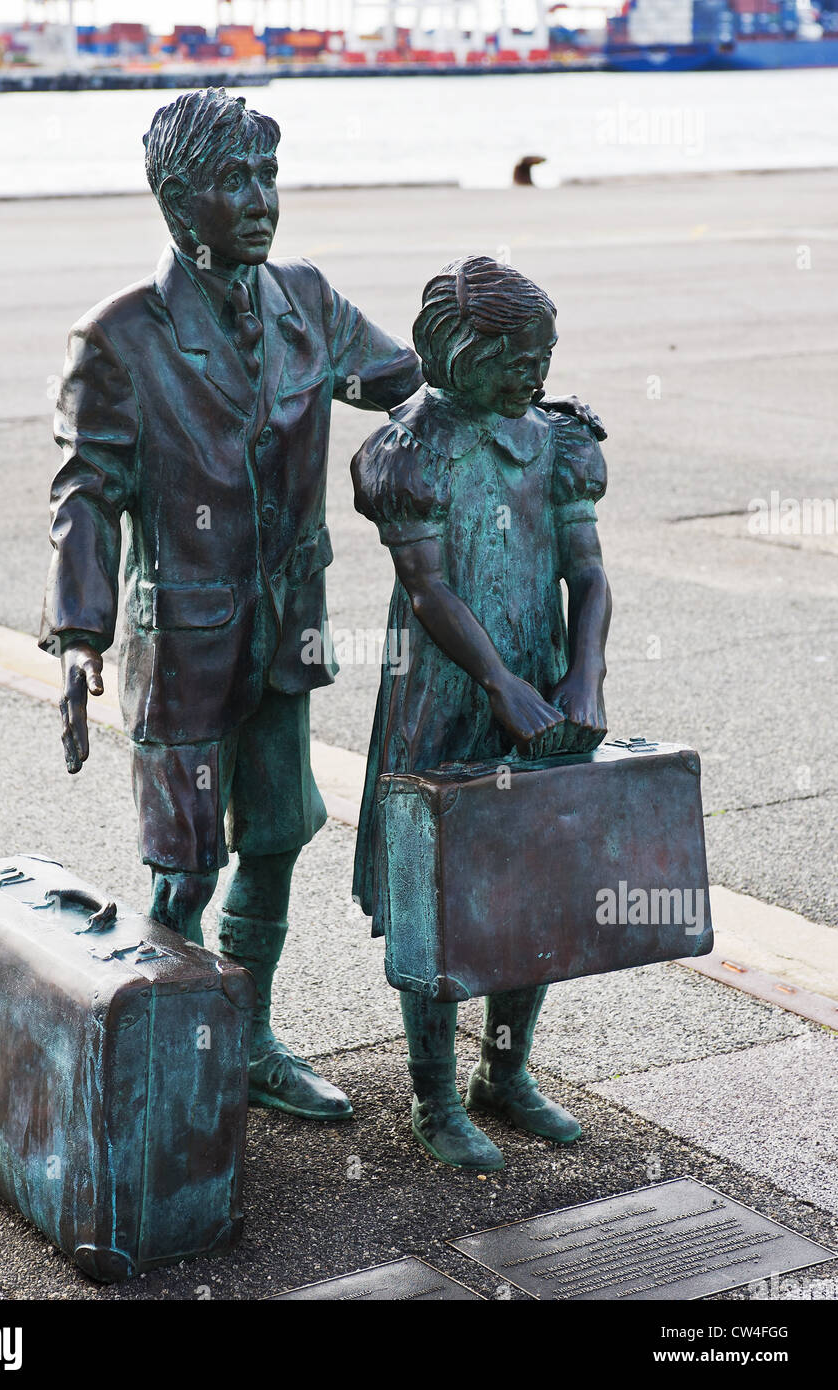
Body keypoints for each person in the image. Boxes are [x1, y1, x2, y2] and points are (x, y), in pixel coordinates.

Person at [39, 88, 424, 1121]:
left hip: (284, 629)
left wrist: (500, 400)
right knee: (183, 864)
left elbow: (404, 378)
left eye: (268, 176)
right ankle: (178, 1054)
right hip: (185, 641)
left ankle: (249, 1037)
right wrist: (77, 642)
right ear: (175, 203)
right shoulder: (120, 335)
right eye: (232, 181)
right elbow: (86, 491)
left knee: (278, 834)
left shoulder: (307, 301)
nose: (260, 200)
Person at [351, 255, 612, 1170]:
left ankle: (502, 1073)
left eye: (540, 356)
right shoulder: (407, 453)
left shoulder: (556, 441)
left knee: (532, 878)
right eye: (511, 360)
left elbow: (585, 571)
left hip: (538, 681)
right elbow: (427, 591)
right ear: (457, 355)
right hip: (448, 691)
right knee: (441, 890)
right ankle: (432, 1095)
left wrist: (582, 679)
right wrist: (499, 683)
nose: (532, 377)